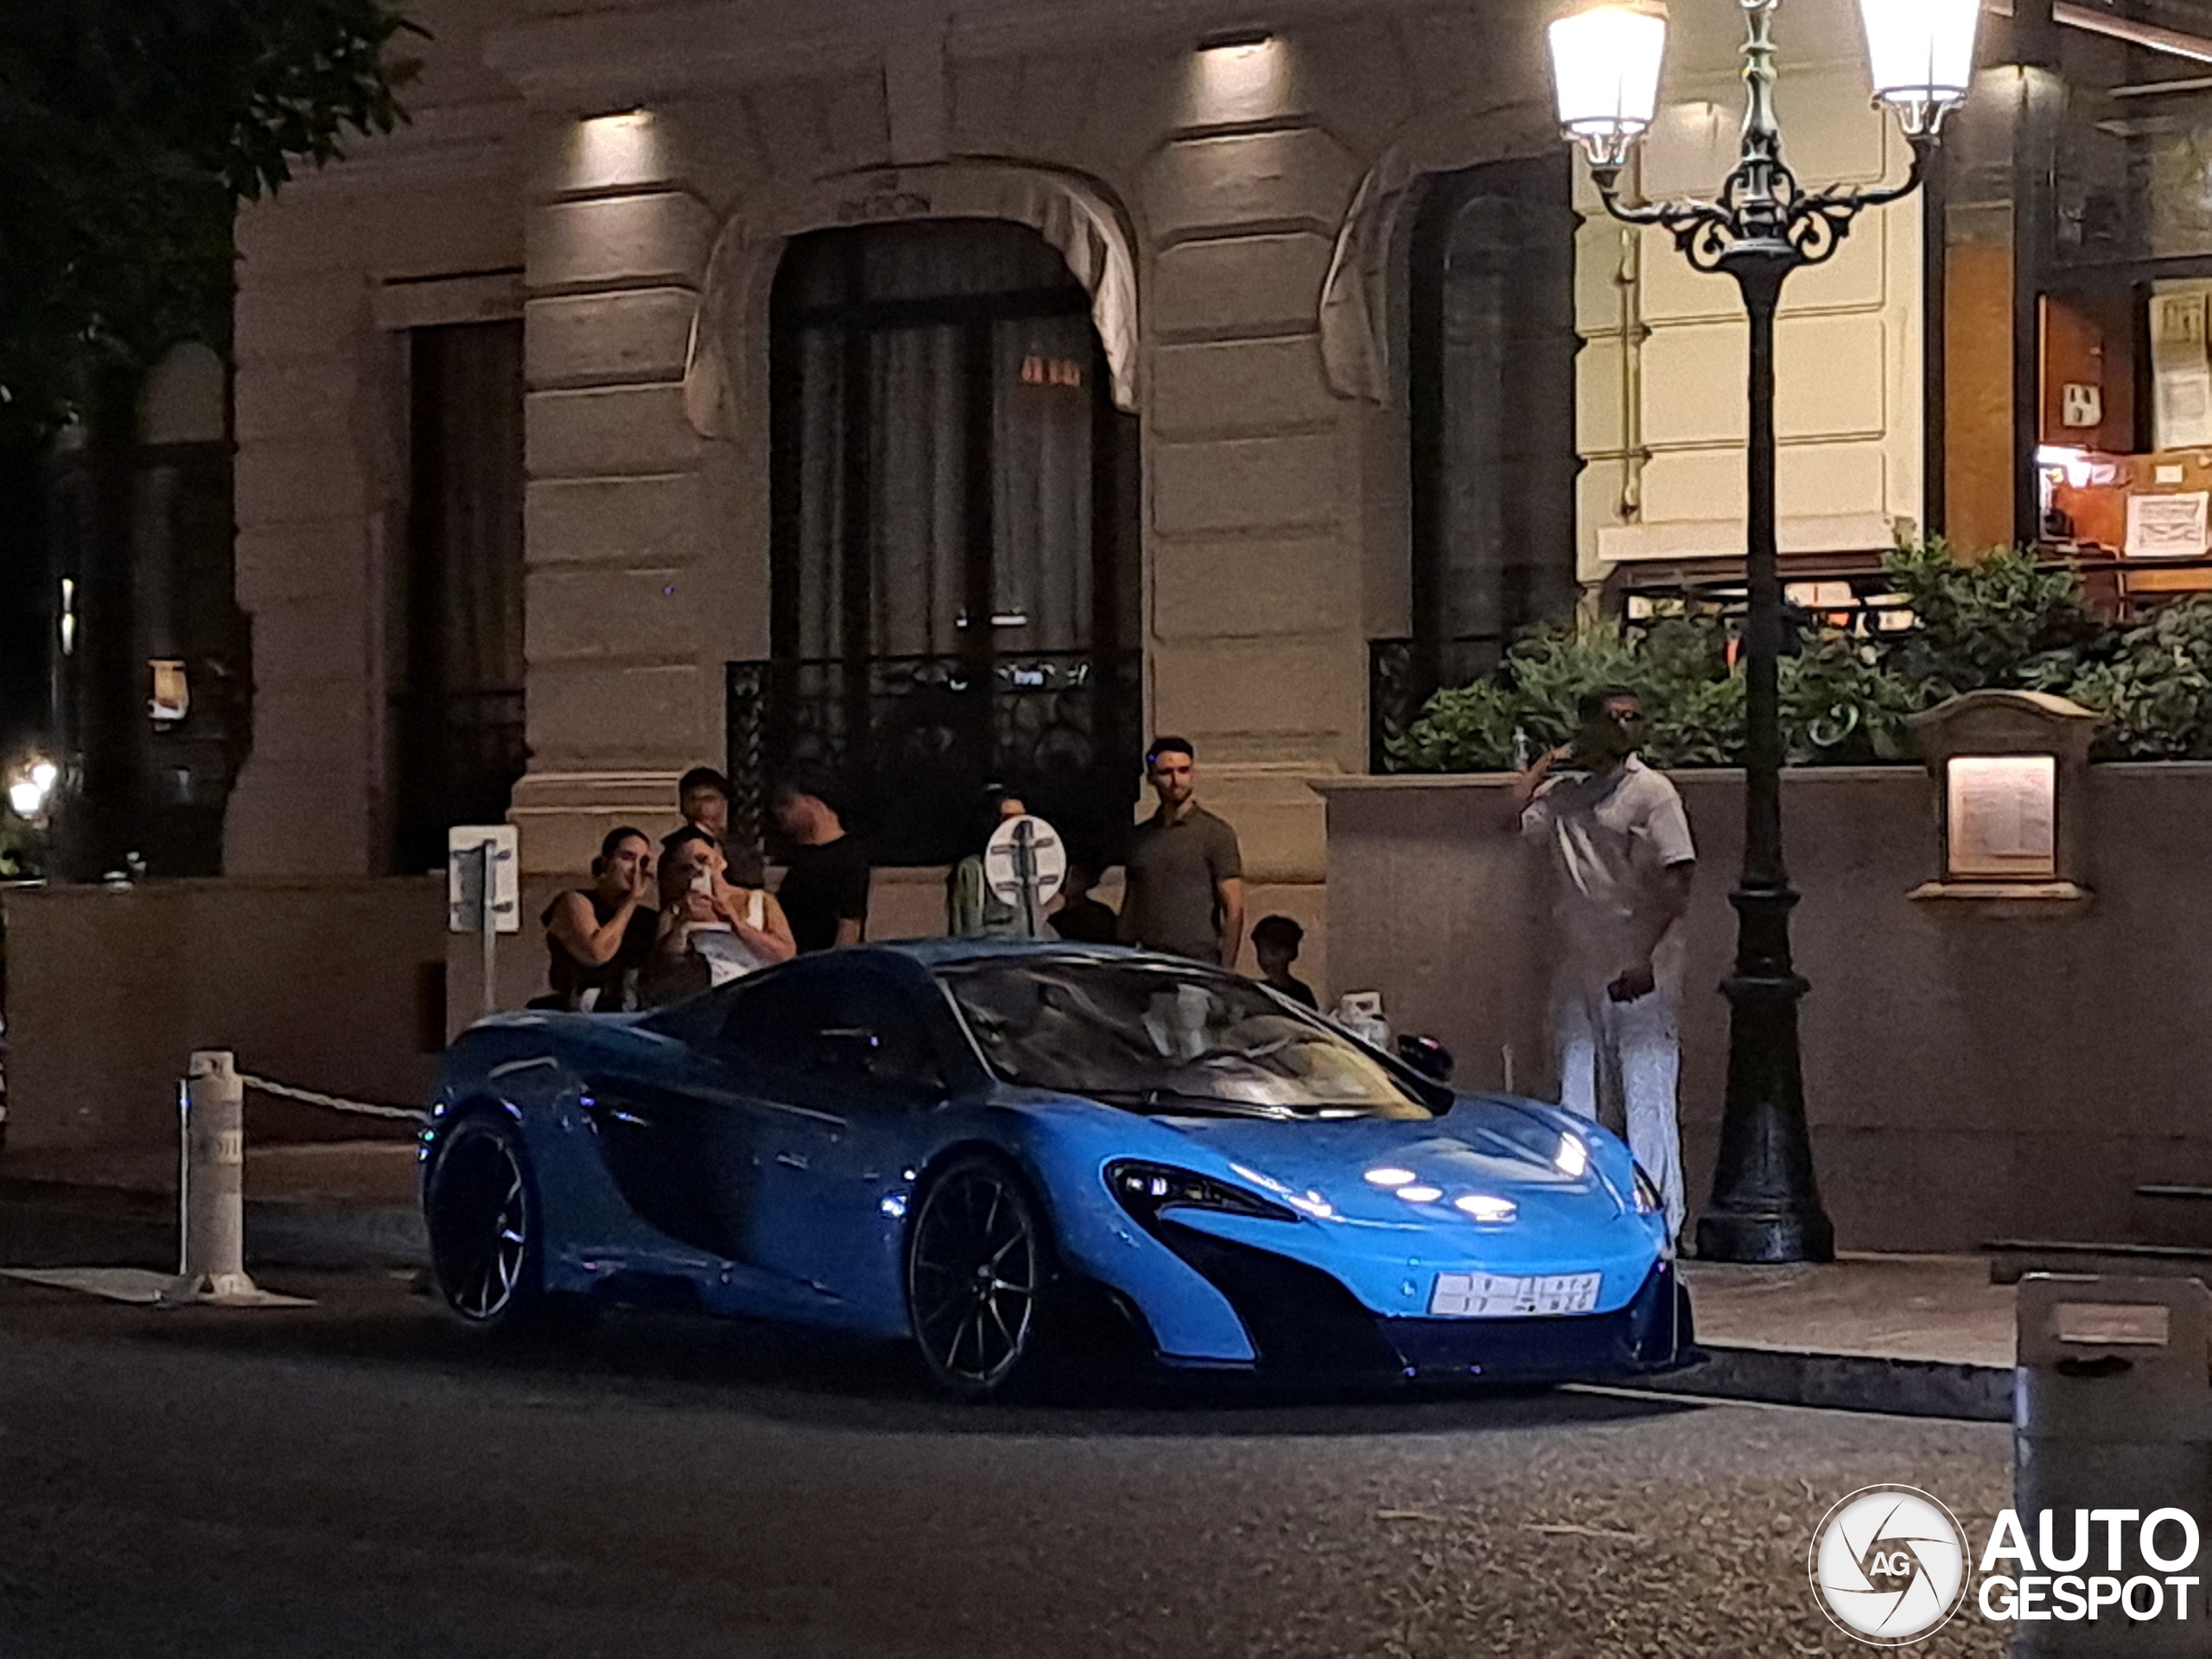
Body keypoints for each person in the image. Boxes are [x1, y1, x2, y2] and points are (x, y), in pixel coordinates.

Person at [1507, 685, 1696, 1244]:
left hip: (1638, 959)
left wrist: (1645, 956)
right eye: (1612, 719)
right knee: (1575, 1087)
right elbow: (1503, 817)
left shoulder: (1651, 793)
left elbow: (1677, 876)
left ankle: (1660, 1222)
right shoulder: (1566, 795)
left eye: (1634, 718)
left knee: (1645, 1089)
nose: (1624, 728)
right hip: (1577, 958)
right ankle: (1585, 1213)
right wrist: (1548, 762)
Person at [1118, 736, 1245, 968]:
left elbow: (1234, 906)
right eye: (1166, 772)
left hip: (1198, 962)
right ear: (1151, 778)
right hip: (1149, 961)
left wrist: (1226, 970)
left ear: (1193, 774)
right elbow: (1131, 905)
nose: (1176, 780)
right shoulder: (1140, 838)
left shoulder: (1215, 833)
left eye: (1183, 770)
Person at [644, 824, 795, 1001]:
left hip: (758, 994)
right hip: (705, 998)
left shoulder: (759, 900)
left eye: (702, 859)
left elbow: (785, 954)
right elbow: (663, 966)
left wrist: (735, 921)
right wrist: (682, 925)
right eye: (685, 869)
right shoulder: (675, 910)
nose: (697, 870)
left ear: (720, 860)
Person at [542, 826, 659, 1012]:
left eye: (643, 862)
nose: (636, 870)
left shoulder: (646, 919)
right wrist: (630, 903)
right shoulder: (574, 902)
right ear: (605, 863)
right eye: (628, 858)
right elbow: (596, 953)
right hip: (577, 1013)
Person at [771, 772, 870, 953]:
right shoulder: (800, 856)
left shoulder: (848, 857)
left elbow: (849, 925)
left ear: (813, 803)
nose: (780, 813)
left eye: (787, 803)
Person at [948, 791, 1045, 939]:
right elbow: (967, 927)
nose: (1017, 825)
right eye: (1010, 819)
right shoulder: (974, 868)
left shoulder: (1035, 865)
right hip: (995, 951)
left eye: (1023, 819)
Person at [1250, 914, 1318, 1008]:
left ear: (1292, 952)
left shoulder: (1302, 993)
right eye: (1261, 951)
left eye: (1274, 952)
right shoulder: (1255, 991)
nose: (1267, 958)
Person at [1049, 856, 1118, 945]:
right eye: (1063, 874)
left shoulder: (1097, 918)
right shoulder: (1034, 907)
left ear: (1091, 881)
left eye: (1076, 876)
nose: (1066, 881)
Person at [677, 766, 734, 848]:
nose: (700, 807)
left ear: (724, 802)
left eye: (708, 800)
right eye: (693, 799)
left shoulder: (735, 845)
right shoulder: (681, 847)